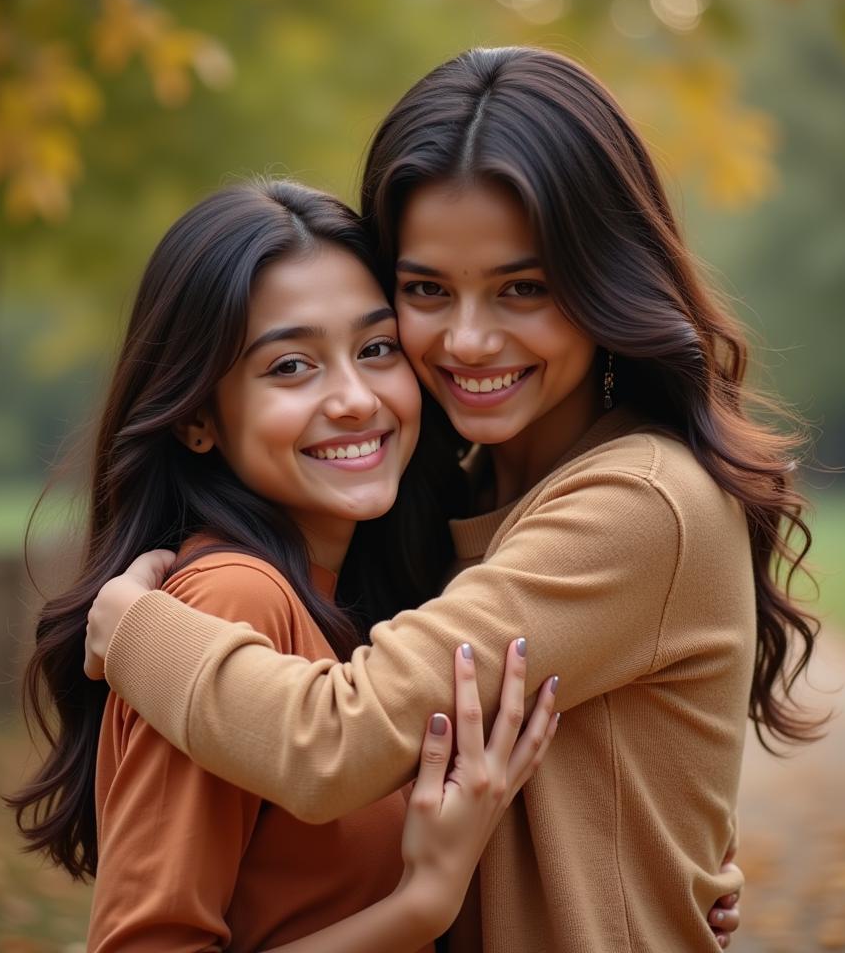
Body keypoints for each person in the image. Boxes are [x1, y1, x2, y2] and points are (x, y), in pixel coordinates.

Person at [83, 48, 801, 951]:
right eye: (426, 289)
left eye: (523, 288)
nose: (467, 339)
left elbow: (337, 740)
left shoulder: (636, 504)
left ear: (604, 280)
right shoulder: (447, 511)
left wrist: (131, 626)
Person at [8, 181, 562, 952]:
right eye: (293, 366)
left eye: (376, 350)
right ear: (199, 418)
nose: (355, 399)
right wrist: (418, 908)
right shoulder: (227, 605)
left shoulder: (349, 603)